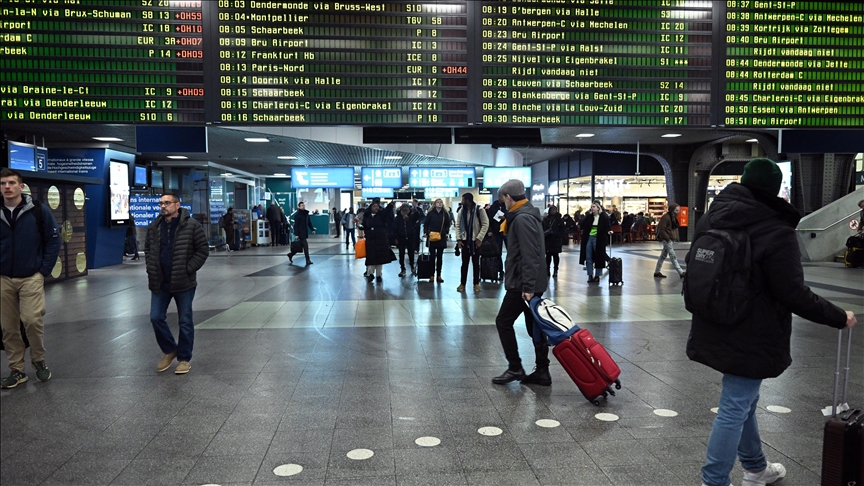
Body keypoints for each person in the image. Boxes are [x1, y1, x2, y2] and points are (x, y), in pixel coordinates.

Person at [687, 157, 857, 486]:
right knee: (735, 405)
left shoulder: (712, 217)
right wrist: (839, 316)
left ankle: (755, 468)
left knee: (743, 400)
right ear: (775, 190)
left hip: (714, 320)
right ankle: (714, 481)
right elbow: (792, 292)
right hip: (753, 331)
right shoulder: (776, 229)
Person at [0, 168, 61, 388]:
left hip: (31, 276)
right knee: (8, 327)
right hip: (3, 278)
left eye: (11, 183)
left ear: (21, 186)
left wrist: (43, 270)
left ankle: (38, 359)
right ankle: (17, 369)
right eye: (3, 183)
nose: (7, 187)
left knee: (32, 320)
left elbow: (54, 240)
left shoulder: (37, 210)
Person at [491, 180, 550, 386]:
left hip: (522, 284)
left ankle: (515, 367)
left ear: (509, 197)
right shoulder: (524, 214)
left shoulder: (522, 219)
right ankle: (542, 371)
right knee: (534, 325)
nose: (503, 204)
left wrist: (528, 287)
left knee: (503, 321)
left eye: (503, 199)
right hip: (527, 282)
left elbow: (530, 255)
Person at [144, 193, 209, 375]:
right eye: (161, 203)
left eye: (167, 203)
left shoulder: (191, 226)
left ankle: (184, 359)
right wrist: (151, 267)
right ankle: (170, 349)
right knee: (155, 317)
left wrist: (189, 268)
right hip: (160, 281)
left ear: (177, 205)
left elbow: (202, 250)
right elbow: (148, 249)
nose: (163, 206)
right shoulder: (154, 227)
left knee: (185, 321)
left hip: (183, 281)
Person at [454, 193, 490, 292]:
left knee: (475, 263)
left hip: (475, 240)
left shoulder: (479, 210)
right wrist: (459, 239)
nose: (461, 202)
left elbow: (485, 224)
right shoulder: (461, 211)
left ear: (468, 201)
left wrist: (479, 238)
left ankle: (476, 284)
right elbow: (457, 225)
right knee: (464, 263)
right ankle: (462, 283)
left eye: (463, 200)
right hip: (465, 240)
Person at [579, 200, 613, 283]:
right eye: (591, 207)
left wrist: (608, 231)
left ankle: (597, 275)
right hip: (589, 238)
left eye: (594, 207)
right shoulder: (589, 217)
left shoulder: (603, 217)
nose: (592, 208)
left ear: (598, 208)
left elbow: (607, 226)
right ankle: (590, 275)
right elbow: (582, 225)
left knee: (599, 256)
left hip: (599, 239)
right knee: (588, 257)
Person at [362, 199, 396, 283]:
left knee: (380, 259)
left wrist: (390, 205)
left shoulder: (381, 216)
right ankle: (370, 274)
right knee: (371, 258)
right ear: (371, 208)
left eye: (377, 206)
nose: (376, 208)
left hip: (381, 240)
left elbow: (386, 212)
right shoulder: (367, 216)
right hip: (370, 240)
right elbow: (364, 225)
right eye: (374, 206)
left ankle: (378, 275)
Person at [653, 203, 686, 279]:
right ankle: (680, 272)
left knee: (663, 256)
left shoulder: (672, 217)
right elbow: (662, 229)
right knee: (672, 256)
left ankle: (657, 271)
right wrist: (667, 239)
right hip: (667, 239)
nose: (678, 212)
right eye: (677, 210)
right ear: (672, 209)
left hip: (669, 239)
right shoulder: (666, 217)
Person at [423, 198, 451, 283]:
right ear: (435, 204)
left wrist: (445, 232)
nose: (439, 204)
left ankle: (439, 275)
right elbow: (426, 224)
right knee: (432, 257)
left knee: (440, 257)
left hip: (441, 237)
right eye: (438, 202)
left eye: (441, 202)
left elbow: (448, 224)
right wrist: (426, 232)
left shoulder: (445, 214)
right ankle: (431, 274)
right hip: (431, 236)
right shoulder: (430, 213)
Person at [391, 203, 421, 277]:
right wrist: (395, 238)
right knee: (401, 254)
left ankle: (412, 267)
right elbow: (394, 228)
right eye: (403, 207)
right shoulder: (398, 218)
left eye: (406, 207)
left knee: (411, 253)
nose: (405, 209)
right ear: (401, 208)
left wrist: (416, 210)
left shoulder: (412, 216)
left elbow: (420, 216)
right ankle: (402, 269)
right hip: (401, 238)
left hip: (411, 237)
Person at [543, 205, 568, 278]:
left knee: (555, 256)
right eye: (551, 210)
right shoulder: (546, 219)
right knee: (548, 256)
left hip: (556, 240)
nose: (552, 211)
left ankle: (555, 270)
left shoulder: (559, 220)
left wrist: (557, 234)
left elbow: (563, 230)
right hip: (548, 240)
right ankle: (547, 269)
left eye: (554, 210)